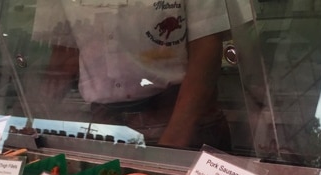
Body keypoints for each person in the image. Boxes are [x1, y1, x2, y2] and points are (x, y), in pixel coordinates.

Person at [33, 0, 231, 150]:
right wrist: (33, 123)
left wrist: (172, 143)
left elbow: (207, 49)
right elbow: (64, 54)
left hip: (182, 120)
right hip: (105, 128)